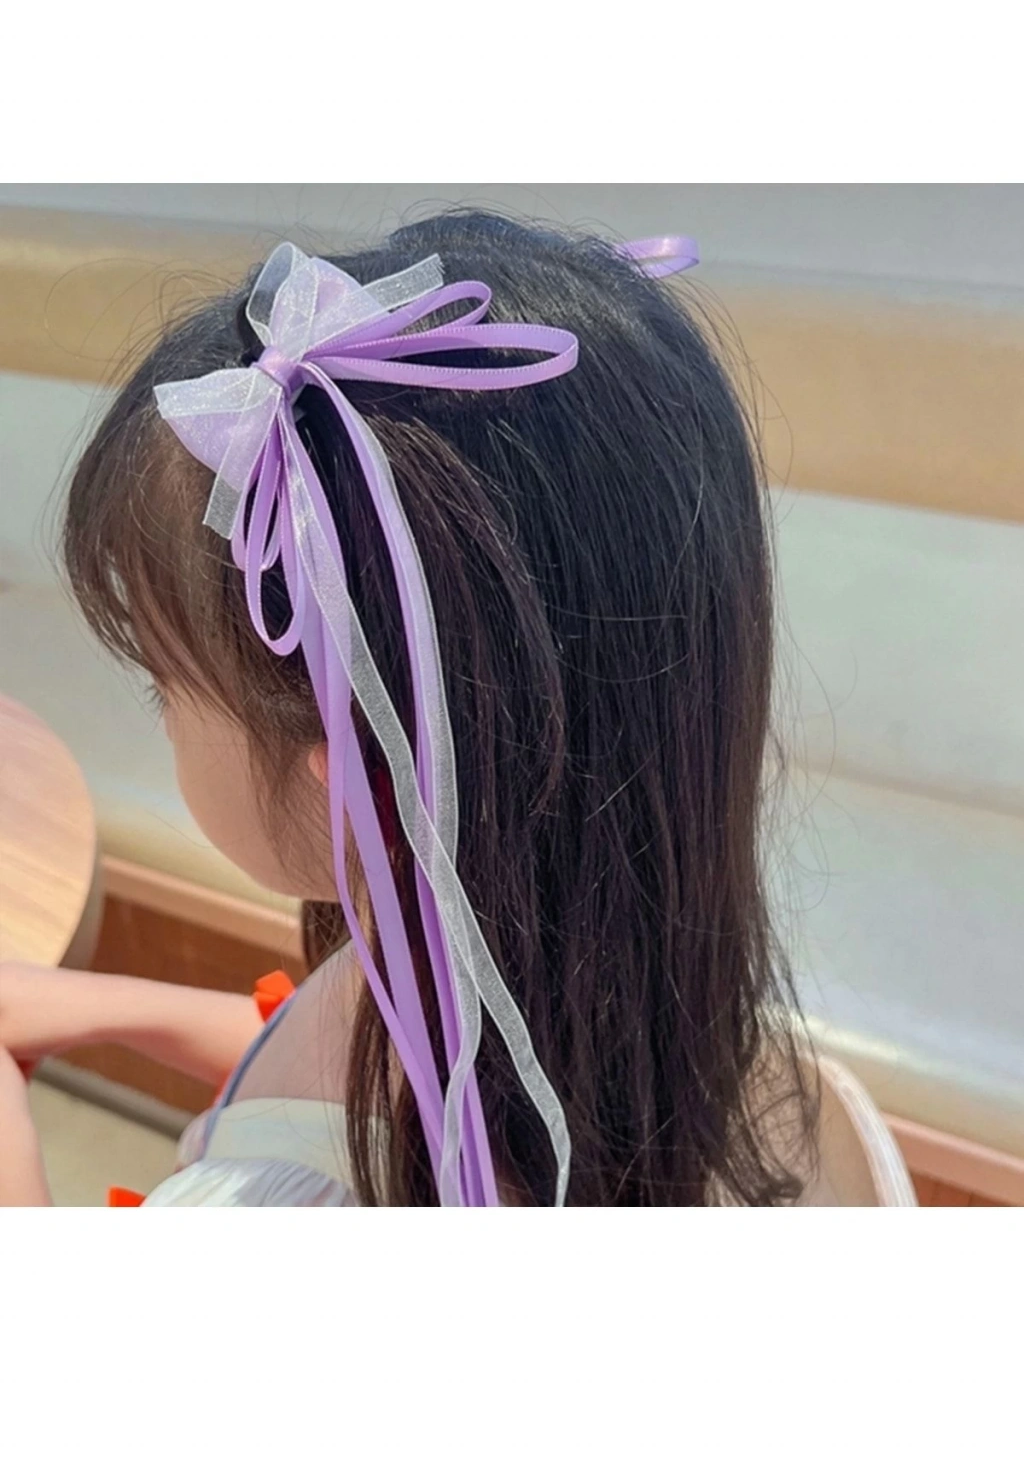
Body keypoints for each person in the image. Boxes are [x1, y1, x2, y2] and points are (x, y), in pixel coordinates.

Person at [0, 211, 915, 1206]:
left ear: (362, 787)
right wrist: (118, 1008)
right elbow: (342, 1076)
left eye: (163, 685)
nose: (159, 709)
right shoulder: (770, 1093)